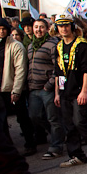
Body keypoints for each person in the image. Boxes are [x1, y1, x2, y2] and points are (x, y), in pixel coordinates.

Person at [53, 16, 87, 167]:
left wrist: (84, 91)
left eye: (66, 26)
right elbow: (57, 72)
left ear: (72, 27)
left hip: (78, 90)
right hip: (64, 92)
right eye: (60, 26)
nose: (64, 29)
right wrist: (57, 93)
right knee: (68, 125)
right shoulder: (59, 46)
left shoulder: (83, 44)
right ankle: (77, 155)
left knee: (80, 121)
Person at [0, 18, 37, 156]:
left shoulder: (16, 46)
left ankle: (30, 143)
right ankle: (7, 146)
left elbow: (20, 69)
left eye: (3, 29)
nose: (1, 31)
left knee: (22, 117)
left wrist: (16, 90)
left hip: (13, 87)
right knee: (1, 119)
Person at [27, 18, 65, 160]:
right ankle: (60, 134)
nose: (38, 30)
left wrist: (50, 84)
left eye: (41, 27)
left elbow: (59, 68)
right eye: (36, 27)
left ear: (47, 28)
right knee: (35, 116)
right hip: (33, 88)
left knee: (53, 118)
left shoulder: (53, 45)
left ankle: (56, 146)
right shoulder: (31, 46)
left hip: (47, 88)